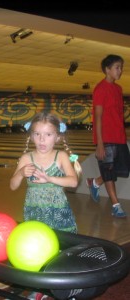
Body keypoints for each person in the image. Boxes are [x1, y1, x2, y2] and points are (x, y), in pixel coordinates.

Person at [10, 112, 82, 234]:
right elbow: (13, 186)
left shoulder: (61, 156)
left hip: (58, 213)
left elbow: (73, 181)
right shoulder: (26, 158)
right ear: (31, 136)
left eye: (48, 134)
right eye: (37, 134)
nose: (42, 139)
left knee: (62, 245)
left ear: (57, 137)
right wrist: (21, 173)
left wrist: (49, 179)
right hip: (34, 212)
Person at [86, 54, 129, 218]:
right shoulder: (100, 89)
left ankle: (95, 182)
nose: (120, 71)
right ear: (107, 70)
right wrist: (100, 143)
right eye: (117, 67)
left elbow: (117, 114)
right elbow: (98, 117)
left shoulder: (118, 89)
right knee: (109, 172)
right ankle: (116, 205)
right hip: (106, 137)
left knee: (122, 169)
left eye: (121, 67)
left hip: (119, 137)